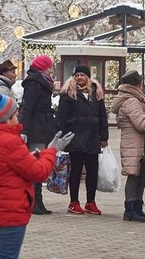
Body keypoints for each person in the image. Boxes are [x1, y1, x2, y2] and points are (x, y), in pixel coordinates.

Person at [0, 93, 72, 259]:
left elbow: (11, 166)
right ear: (6, 118)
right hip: (11, 212)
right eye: (15, 113)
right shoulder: (10, 142)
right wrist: (52, 150)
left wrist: (36, 156)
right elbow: (39, 172)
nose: (18, 116)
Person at [109, 69, 145, 223]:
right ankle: (131, 209)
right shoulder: (132, 101)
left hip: (137, 144)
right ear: (137, 84)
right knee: (134, 177)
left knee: (140, 176)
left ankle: (137, 207)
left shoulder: (134, 99)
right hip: (134, 144)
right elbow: (141, 125)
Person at [56, 64, 108, 215]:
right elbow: (61, 116)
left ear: (88, 77)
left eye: (82, 75)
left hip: (92, 137)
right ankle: (74, 202)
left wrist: (104, 136)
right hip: (75, 137)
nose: (79, 77)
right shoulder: (68, 94)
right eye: (77, 75)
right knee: (76, 171)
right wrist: (60, 136)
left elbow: (102, 116)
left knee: (92, 171)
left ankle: (90, 202)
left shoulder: (96, 94)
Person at [17, 54, 57, 215]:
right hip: (36, 129)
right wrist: (24, 129)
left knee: (39, 165)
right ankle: (33, 202)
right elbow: (27, 107)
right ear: (43, 67)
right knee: (36, 165)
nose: (51, 70)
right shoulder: (34, 83)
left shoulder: (42, 82)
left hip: (43, 126)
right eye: (49, 67)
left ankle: (37, 202)